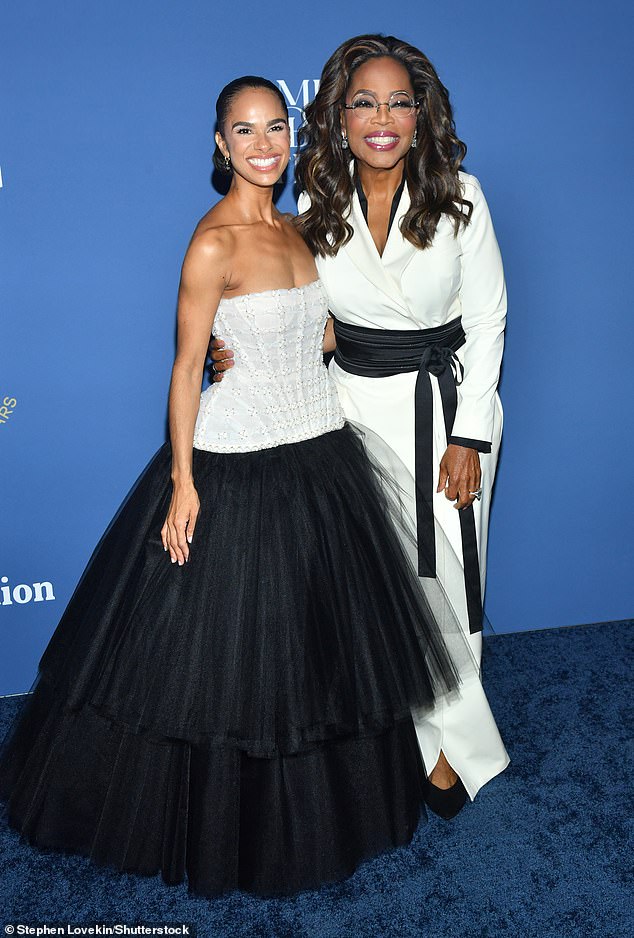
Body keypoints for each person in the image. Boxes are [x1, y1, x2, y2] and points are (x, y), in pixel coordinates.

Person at [0, 76, 471, 898]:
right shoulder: (212, 242)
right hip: (238, 458)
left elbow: (321, 331)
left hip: (321, 453)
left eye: (275, 127)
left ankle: (344, 808)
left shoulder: (299, 230)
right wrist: (183, 482)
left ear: (292, 136)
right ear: (220, 145)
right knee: (231, 663)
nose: (263, 144)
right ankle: (235, 832)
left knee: (322, 647)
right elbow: (186, 369)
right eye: (243, 131)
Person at [210, 36, 510, 818]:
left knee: (452, 581)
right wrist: (235, 346)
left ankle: (454, 752)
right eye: (364, 103)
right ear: (338, 116)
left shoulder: (461, 196)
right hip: (348, 412)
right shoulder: (317, 207)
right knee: (383, 589)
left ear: (421, 114)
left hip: (446, 410)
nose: (383, 119)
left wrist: (470, 436)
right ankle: (411, 736)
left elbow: (486, 318)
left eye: (399, 102)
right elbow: (316, 318)